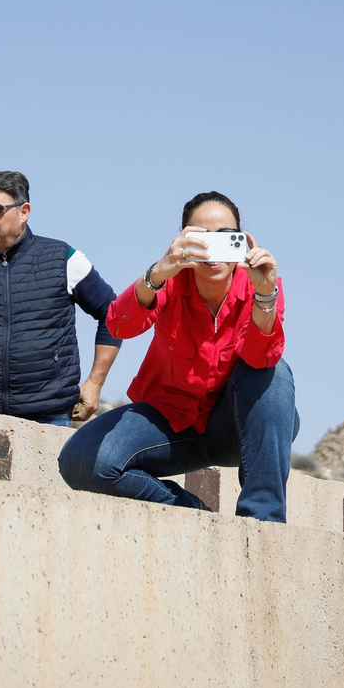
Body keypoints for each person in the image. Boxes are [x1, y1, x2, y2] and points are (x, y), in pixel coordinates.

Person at [58, 190, 299, 522]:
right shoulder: (168, 281)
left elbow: (262, 358)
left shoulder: (261, 286)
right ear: (183, 240)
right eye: (202, 238)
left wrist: (265, 293)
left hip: (236, 427)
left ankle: (262, 521)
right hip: (170, 420)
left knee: (276, 373)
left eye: (225, 236)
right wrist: (157, 273)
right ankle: (191, 512)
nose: (213, 249)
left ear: (242, 240)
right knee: (81, 460)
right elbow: (118, 323)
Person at [0, 169, 121, 426]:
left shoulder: (63, 259)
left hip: (49, 419)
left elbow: (115, 315)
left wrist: (95, 383)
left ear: (24, 211)